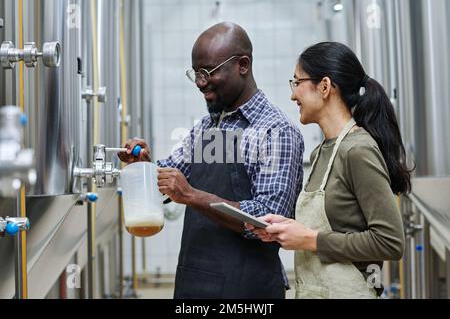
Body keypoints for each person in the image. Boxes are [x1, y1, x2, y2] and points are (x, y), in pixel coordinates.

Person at [118, 22, 304, 298]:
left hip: (246, 289)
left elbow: (268, 220)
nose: (200, 82)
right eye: (195, 73)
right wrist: (144, 166)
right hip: (194, 283)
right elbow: (170, 179)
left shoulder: (275, 131)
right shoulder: (207, 126)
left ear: (243, 65)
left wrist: (192, 196)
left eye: (208, 72)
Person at [248, 42, 411, 299]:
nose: (293, 95)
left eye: (297, 82)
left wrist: (311, 240)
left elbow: (390, 241)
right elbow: (337, 223)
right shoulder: (321, 151)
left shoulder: (357, 150)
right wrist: (287, 228)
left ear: (324, 87)